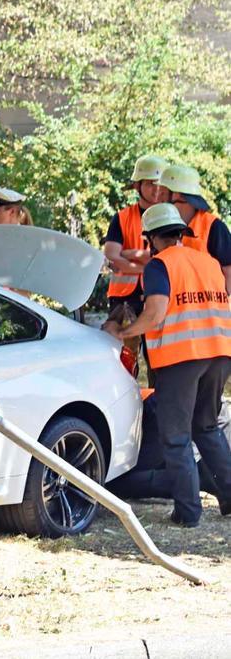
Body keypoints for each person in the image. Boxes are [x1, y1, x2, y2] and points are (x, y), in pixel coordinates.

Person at [109, 203, 231, 526]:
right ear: (181, 232)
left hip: (181, 359)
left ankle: (188, 513)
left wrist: (125, 331)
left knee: (175, 437)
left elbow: (156, 313)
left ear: (150, 239)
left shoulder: (158, 265)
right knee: (206, 428)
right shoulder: (208, 262)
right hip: (220, 352)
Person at [102, 155, 169, 315]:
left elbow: (169, 259)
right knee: (121, 340)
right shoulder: (122, 217)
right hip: (123, 298)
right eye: (149, 184)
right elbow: (112, 257)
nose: (156, 189)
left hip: (160, 294)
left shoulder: (171, 218)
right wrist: (148, 266)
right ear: (137, 186)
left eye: (160, 184)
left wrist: (128, 254)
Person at [155, 165, 231, 294]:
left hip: (208, 311)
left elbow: (229, 273)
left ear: (182, 197)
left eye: (162, 193)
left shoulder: (214, 227)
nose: (157, 199)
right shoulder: (162, 228)